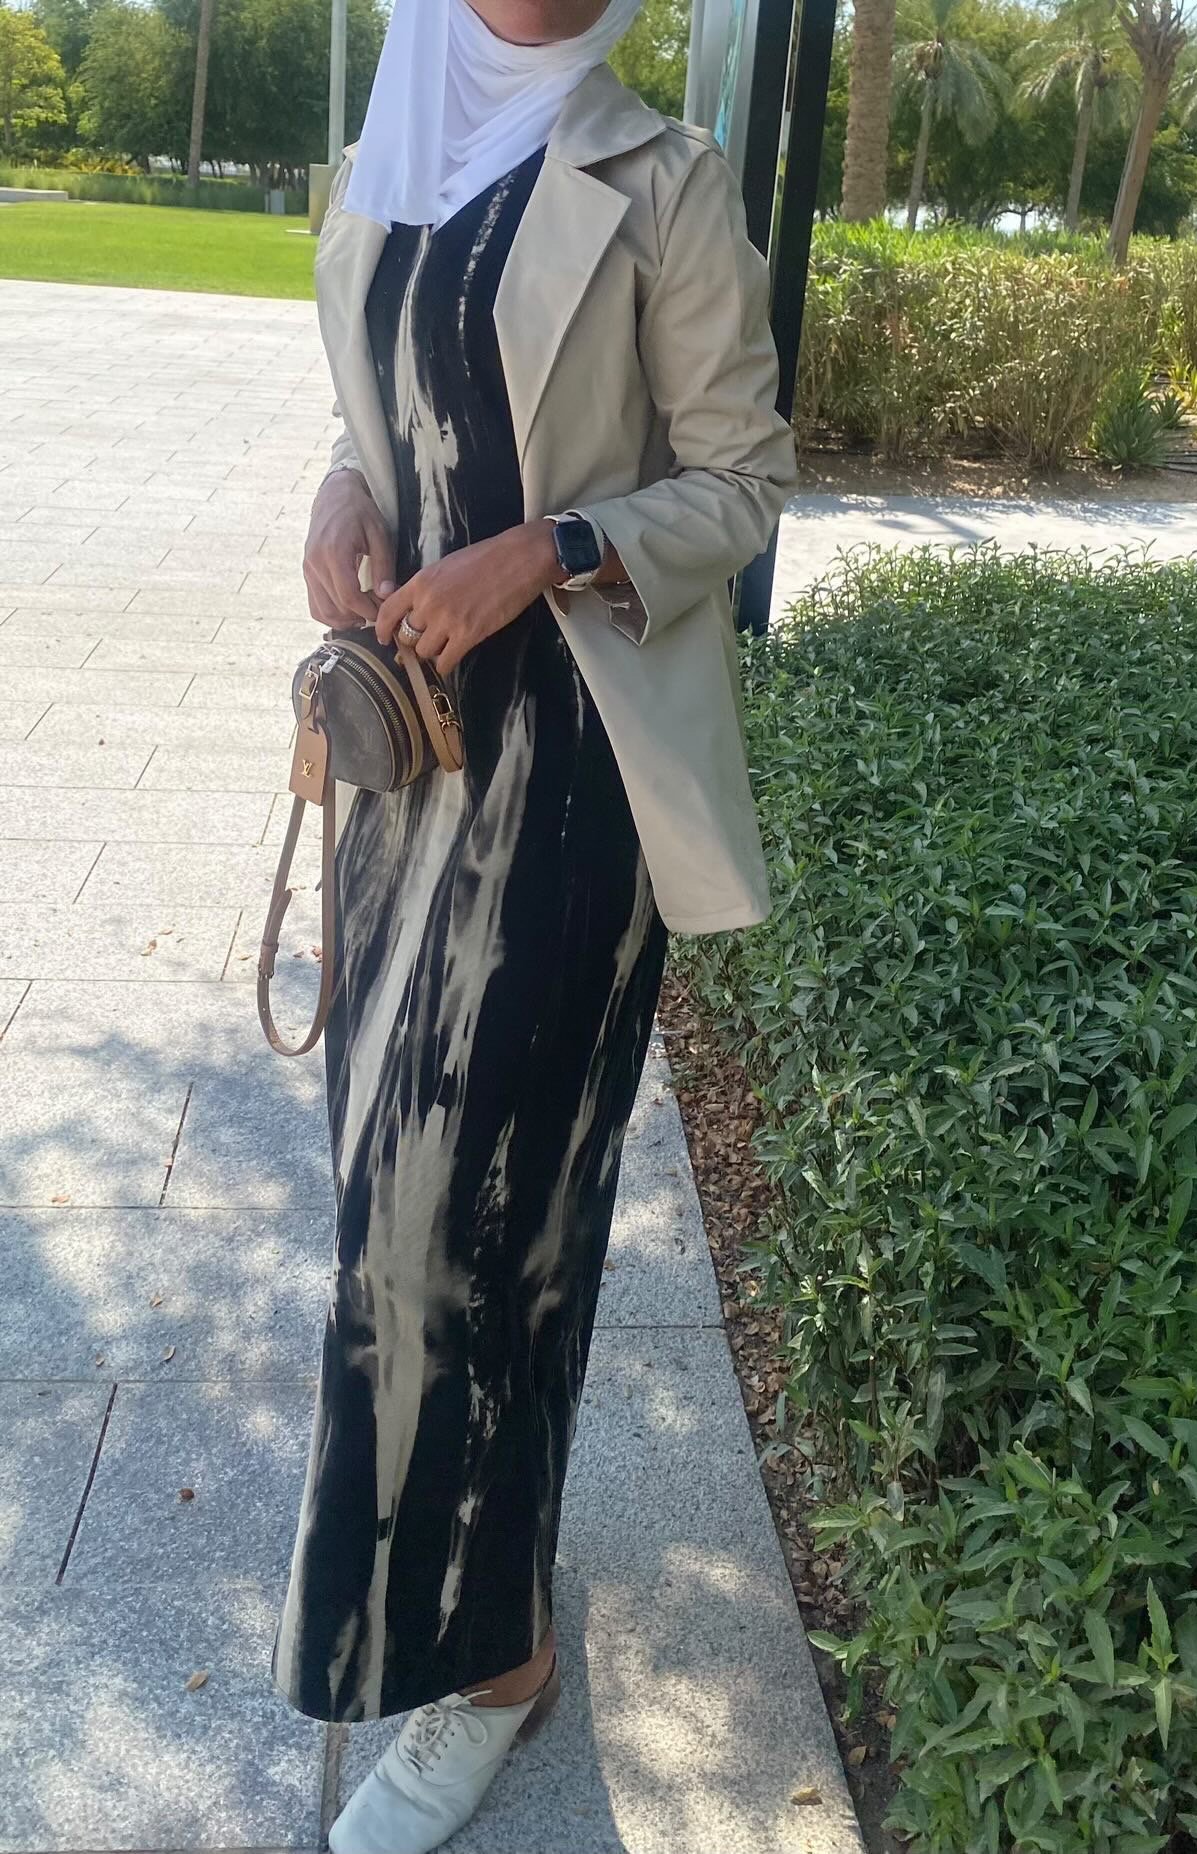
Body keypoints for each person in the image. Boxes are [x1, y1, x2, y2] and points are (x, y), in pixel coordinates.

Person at [269, 0, 798, 1847]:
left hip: (571, 781)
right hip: (407, 768)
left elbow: (744, 478)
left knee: (475, 1222)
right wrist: (347, 485)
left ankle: (497, 1664)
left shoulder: (663, 179)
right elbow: (392, 398)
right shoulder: (394, 144)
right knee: (384, 1198)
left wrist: (547, 548)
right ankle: (468, 1591)